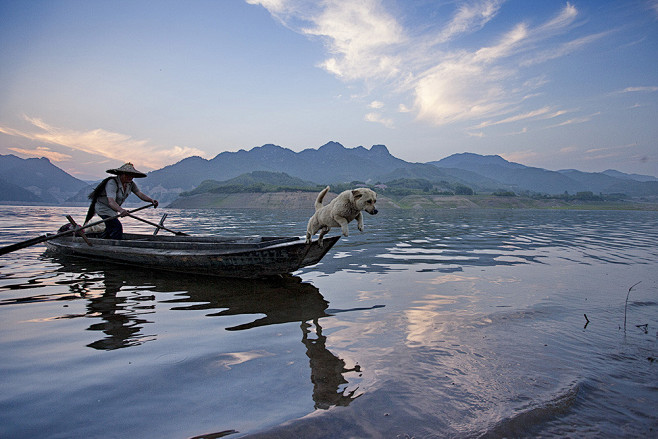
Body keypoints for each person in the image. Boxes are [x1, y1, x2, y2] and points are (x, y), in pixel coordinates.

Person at [85, 162, 159, 239]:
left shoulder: (130, 184)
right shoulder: (112, 183)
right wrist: (121, 210)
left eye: (132, 175)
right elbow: (111, 201)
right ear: (120, 174)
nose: (130, 177)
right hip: (103, 208)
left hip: (113, 210)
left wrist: (151, 200)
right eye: (127, 174)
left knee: (110, 227)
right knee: (117, 227)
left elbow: (140, 194)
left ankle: (103, 242)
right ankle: (115, 247)